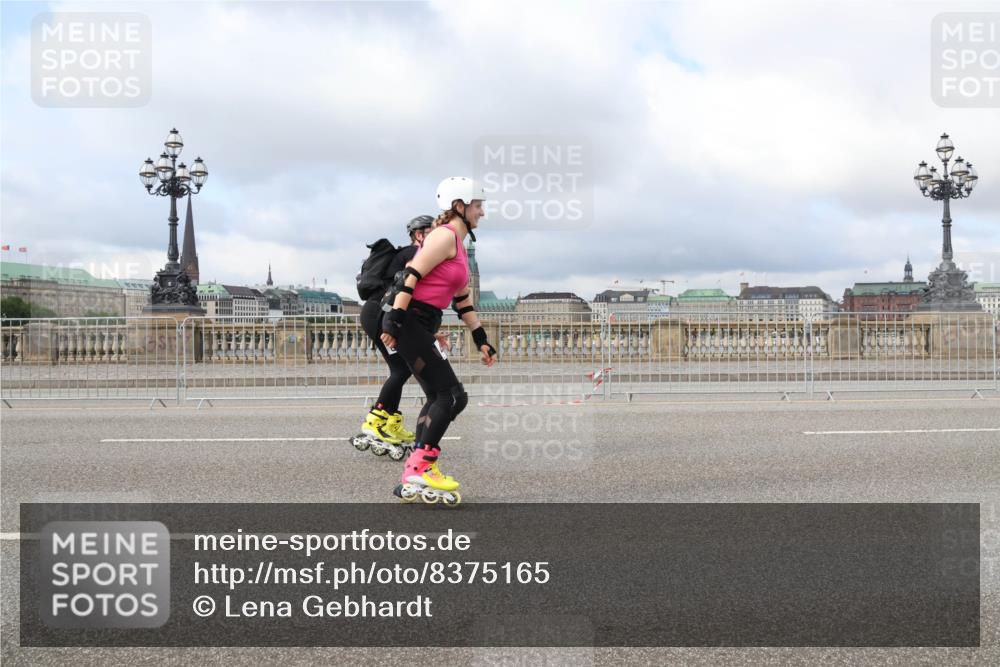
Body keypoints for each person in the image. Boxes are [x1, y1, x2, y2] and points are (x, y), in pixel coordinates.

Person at [381, 177, 497, 505]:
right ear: (459, 206)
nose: (482, 212)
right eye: (478, 205)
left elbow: (463, 302)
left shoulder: (458, 247)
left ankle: (416, 465)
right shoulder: (443, 237)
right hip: (410, 320)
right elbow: (411, 274)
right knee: (450, 395)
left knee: (442, 396)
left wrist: (481, 338)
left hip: (421, 323)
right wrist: (395, 319)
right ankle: (421, 466)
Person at [352, 215, 437, 461]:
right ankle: (376, 420)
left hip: (380, 312)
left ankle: (389, 421)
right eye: (430, 232)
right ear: (418, 234)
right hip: (380, 314)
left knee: (400, 369)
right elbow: (408, 289)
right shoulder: (414, 253)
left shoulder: (409, 253)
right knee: (401, 370)